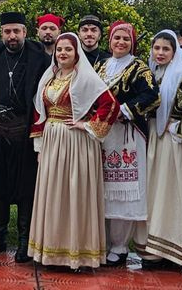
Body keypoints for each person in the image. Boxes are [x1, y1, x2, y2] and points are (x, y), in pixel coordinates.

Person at [28, 33, 118, 270]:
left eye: (68, 49)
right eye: (59, 50)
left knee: (74, 193)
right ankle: (51, 252)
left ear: (77, 52)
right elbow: (40, 113)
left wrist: (87, 125)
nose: (62, 54)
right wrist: (39, 146)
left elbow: (111, 105)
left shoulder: (86, 79)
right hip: (51, 142)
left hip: (76, 143)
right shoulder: (50, 77)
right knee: (53, 194)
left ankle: (76, 254)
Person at [0, 12, 50, 262]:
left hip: (24, 133)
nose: (12, 36)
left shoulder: (39, 57)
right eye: (7, 32)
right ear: (1, 33)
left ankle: (25, 241)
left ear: (25, 32)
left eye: (16, 31)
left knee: (26, 188)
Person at [94, 21, 159, 267]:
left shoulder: (139, 68)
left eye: (125, 39)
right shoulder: (101, 64)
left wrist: (123, 110)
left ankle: (120, 246)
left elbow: (153, 96)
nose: (120, 42)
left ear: (133, 42)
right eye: (116, 38)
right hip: (103, 133)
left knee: (124, 190)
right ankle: (103, 241)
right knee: (102, 189)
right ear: (109, 41)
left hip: (127, 135)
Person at [144, 30, 182, 269]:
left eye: (166, 49)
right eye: (157, 48)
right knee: (153, 191)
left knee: (171, 191)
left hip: (172, 142)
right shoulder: (150, 73)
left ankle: (173, 250)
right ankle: (152, 249)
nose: (160, 53)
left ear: (174, 51)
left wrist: (176, 125)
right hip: (153, 139)